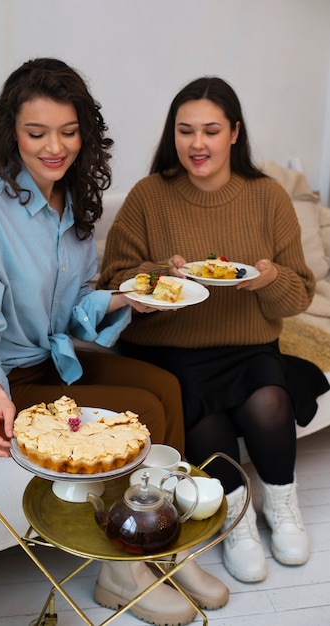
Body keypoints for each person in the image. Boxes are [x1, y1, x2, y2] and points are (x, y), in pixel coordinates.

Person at [0, 59, 228, 626]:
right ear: (9, 132)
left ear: (85, 134)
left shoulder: (71, 205)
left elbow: (71, 317)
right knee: (141, 411)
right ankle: (124, 573)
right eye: (37, 132)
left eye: (69, 132)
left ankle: (166, 547)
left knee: (165, 388)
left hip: (50, 364)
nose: (56, 147)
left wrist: (125, 299)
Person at [98, 76, 330, 584]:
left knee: (269, 398)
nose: (197, 144)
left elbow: (300, 293)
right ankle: (237, 516)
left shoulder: (268, 196)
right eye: (185, 131)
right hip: (170, 352)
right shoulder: (149, 196)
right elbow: (113, 279)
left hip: (249, 345)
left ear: (234, 134)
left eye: (210, 130)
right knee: (201, 414)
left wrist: (267, 278)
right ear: (172, 135)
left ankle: (281, 503)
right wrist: (161, 275)